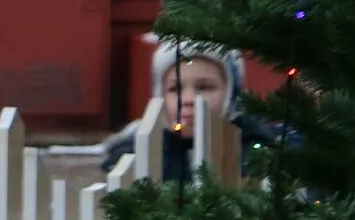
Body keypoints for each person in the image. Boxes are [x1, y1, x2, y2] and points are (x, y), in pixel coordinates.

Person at [101, 38, 287, 183]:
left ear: (231, 93)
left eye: (205, 87)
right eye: (175, 89)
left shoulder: (254, 149)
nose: (188, 100)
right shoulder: (141, 151)